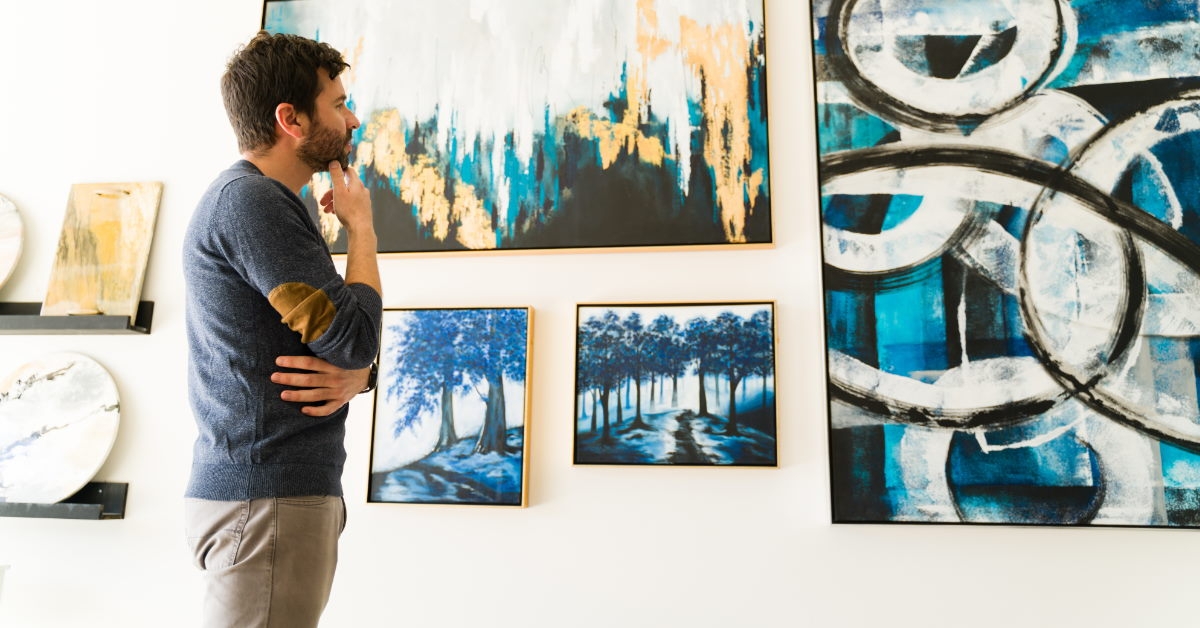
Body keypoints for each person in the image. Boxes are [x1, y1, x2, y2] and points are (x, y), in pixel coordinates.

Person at [182, 30, 382, 628]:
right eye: (339, 103)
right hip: (266, 500)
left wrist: (359, 375)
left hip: (270, 496)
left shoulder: (272, 203)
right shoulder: (252, 204)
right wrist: (364, 231)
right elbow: (351, 340)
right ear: (289, 118)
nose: (352, 119)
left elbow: (341, 350)